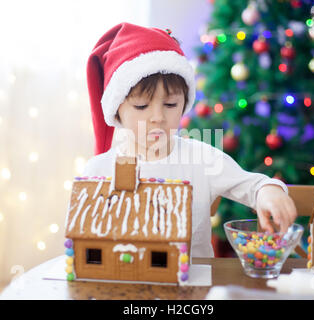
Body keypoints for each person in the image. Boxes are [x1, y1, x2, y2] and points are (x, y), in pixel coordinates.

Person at [83, 22, 297, 257]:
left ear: (184, 104)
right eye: (142, 106)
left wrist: (268, 191)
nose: (158, 117)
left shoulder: (202, 159)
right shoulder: (99, 170)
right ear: (116, 110)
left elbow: (252, 185)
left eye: (171, 104)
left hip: (194, 287)